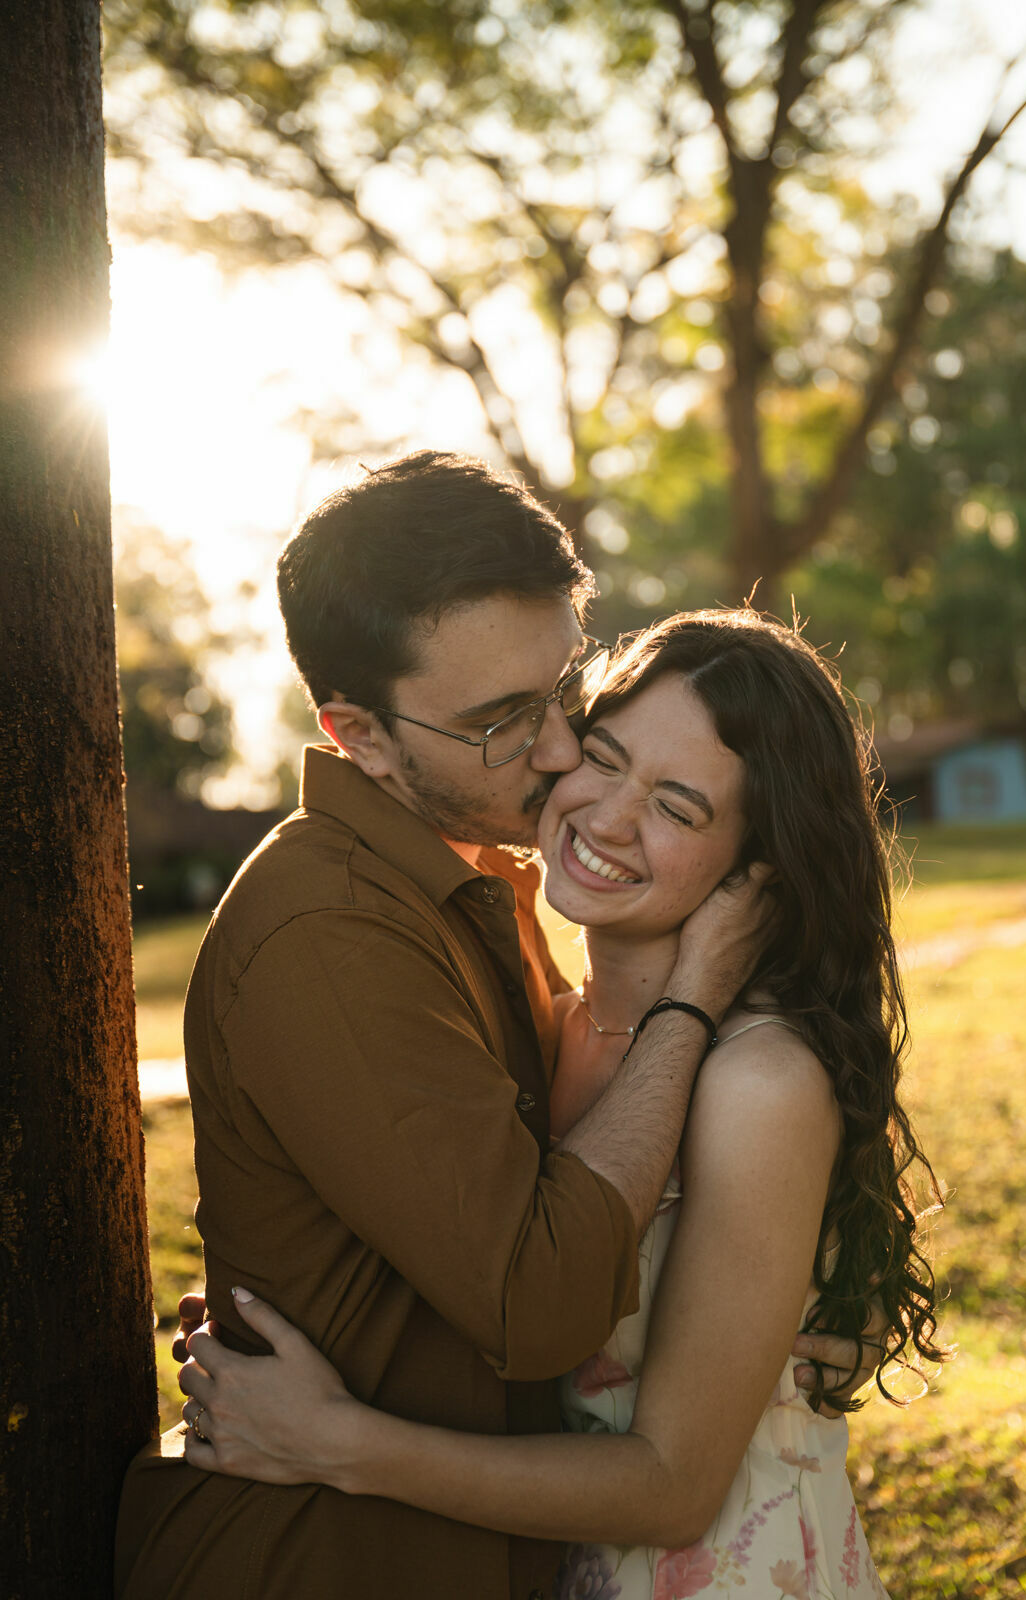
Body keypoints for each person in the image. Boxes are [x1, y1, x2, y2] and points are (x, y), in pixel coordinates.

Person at [116, 456, 859, 1600]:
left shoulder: (489, 899)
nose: (560, 750)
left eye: (564, 691)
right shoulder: (327, 930)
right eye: (505, 724)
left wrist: (791, 1316)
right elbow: (541, 1297)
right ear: (357, 733)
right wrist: (691, 999)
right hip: (327, 1564)